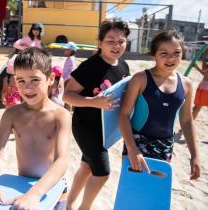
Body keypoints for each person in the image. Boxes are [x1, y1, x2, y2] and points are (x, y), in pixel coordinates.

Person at [0, 47, 71, 210]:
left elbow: (62, 160)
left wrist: (35, 193)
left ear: (50, 79)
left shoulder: (61, 116)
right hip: (21, 185)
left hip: (53, 190)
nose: (27, 87)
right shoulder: (12, 114)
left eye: (34, 80)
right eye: (21, 80)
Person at [63, 20, 130, 210]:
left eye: (121, 41)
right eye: (110, 41)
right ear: (99, 43)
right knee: (102, 174)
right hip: (86, 126)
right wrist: (93, 102)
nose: (116, 46)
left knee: (86, 167)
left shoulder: (124, 66)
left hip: (105, 128)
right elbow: (67, 95)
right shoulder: (90, 66)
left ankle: (68, 205)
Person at [119, 31, 200, 180]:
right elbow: (124, 115)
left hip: (165, 145)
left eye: (177, 52)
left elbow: (187, 121)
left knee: (155, 190)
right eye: (164, 53)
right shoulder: (140, 79)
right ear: (154, 55)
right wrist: (132, 148)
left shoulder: (186, 84)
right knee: (134, 190)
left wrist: (195, 155)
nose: (171, 58)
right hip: (137, 142)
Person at [192, 48, 208, 119]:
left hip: (205, 88)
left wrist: (204, 54)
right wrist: (196, 67)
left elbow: (204, 68)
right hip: (204, 87)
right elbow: (205, 73)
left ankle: (187, 126)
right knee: (196, 108)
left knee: (196, 108)